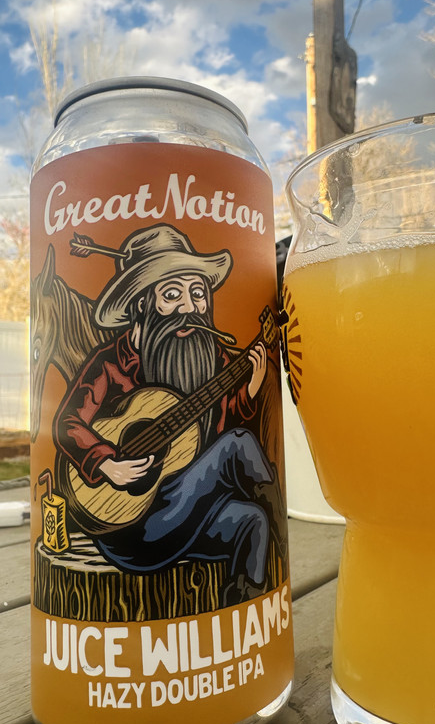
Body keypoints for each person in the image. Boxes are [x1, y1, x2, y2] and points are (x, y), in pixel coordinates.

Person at [54, 223, 286, 604]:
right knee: (237, 446)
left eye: (198, 293)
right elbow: (68, 423)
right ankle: (280, 517)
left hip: (186, 513)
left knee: (253, 522)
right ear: (142, 302)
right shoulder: (110, 363)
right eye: (172, 294)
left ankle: (243, 610)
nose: (189, 307)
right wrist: (107, 463)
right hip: (128, 529)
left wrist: (249, 391)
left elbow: (221, 421)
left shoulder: (211, 355)